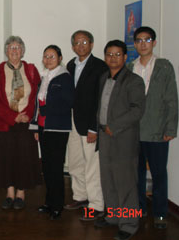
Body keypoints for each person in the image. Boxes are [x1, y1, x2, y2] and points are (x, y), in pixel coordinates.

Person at [128, 26, 178, 229]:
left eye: (147, 40)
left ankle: (160, 213)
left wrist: (170, 128)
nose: (142, 44)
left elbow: (171, 99)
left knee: (158, 174)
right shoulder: (130, 67)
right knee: (136, 173)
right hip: (134, 131)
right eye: (139, 40)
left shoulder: (164, 66)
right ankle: (139, 209)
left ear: (154, 42)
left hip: (157, 131)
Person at [95, 40, 145, 240]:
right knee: (108, 180)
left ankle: (130, 223)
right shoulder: (103, 77)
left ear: (125, 57)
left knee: (126, 184)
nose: (112, 58)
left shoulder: (134, 81)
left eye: (117, 55)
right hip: (104, 137)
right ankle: (114, 216)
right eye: (109, 54)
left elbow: (137, 110)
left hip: (123, 138)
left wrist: (113, 126)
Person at [0, 36, 41, 210]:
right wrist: (12, 116)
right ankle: (9, 193)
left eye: (18, 48)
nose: (14, 51)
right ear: (6, 51)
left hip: (26, 123)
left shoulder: (32, 70)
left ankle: (21, 193)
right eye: (11, 48)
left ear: (23, 51)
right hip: (5, 122)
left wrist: (26, 115)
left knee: (24, 158)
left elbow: (37, 97)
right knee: (6, 158)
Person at [65, 30, 108, 220]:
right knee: (74, 161)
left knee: (92, 165)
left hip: (89, 122)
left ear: (91, 44)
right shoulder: (70, 65)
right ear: (72, 46)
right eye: (76, 43)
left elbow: (100, 100)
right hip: (72, 120)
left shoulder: (100, 66)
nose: (80, 46)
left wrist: (94, 127)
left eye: (84, 42)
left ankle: (96, 204)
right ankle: (80, 195)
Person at [32, 45, 74, 220]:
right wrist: (35, 126)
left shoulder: (64, 77)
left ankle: (57, 205)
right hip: (43, 128)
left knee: (56, 168)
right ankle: (49, 202)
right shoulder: (45, 77)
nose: (48, 60)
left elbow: (68, 102)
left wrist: (46, 109)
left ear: (60, 58)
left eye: (52, 56)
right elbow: (37, 105)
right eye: (45, 56)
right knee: (47, 167)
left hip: (57, 128)